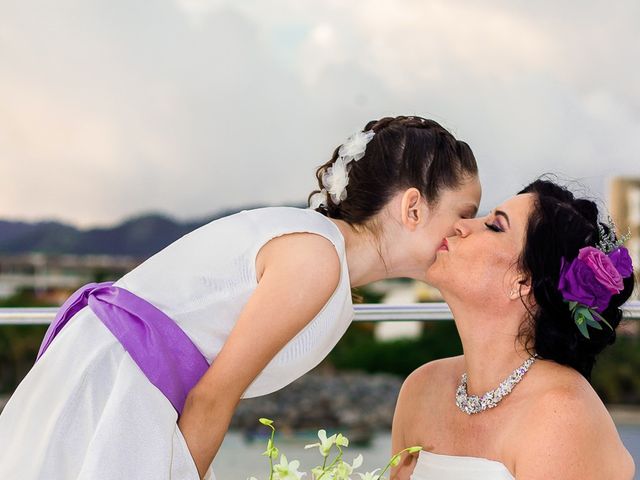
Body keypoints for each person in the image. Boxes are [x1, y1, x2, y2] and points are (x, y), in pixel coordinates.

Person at [0, 115, 481, 480]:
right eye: (465, 212)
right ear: (413, 207)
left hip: (118, 380)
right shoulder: (316, 260)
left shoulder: (322, 259)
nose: (468, 231)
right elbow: (211, 397)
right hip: (121, 391)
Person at [391, 179, 636, 480]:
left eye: (494, 225)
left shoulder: (561, 413)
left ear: (521, 283)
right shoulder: (420, 388)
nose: (461, 225)